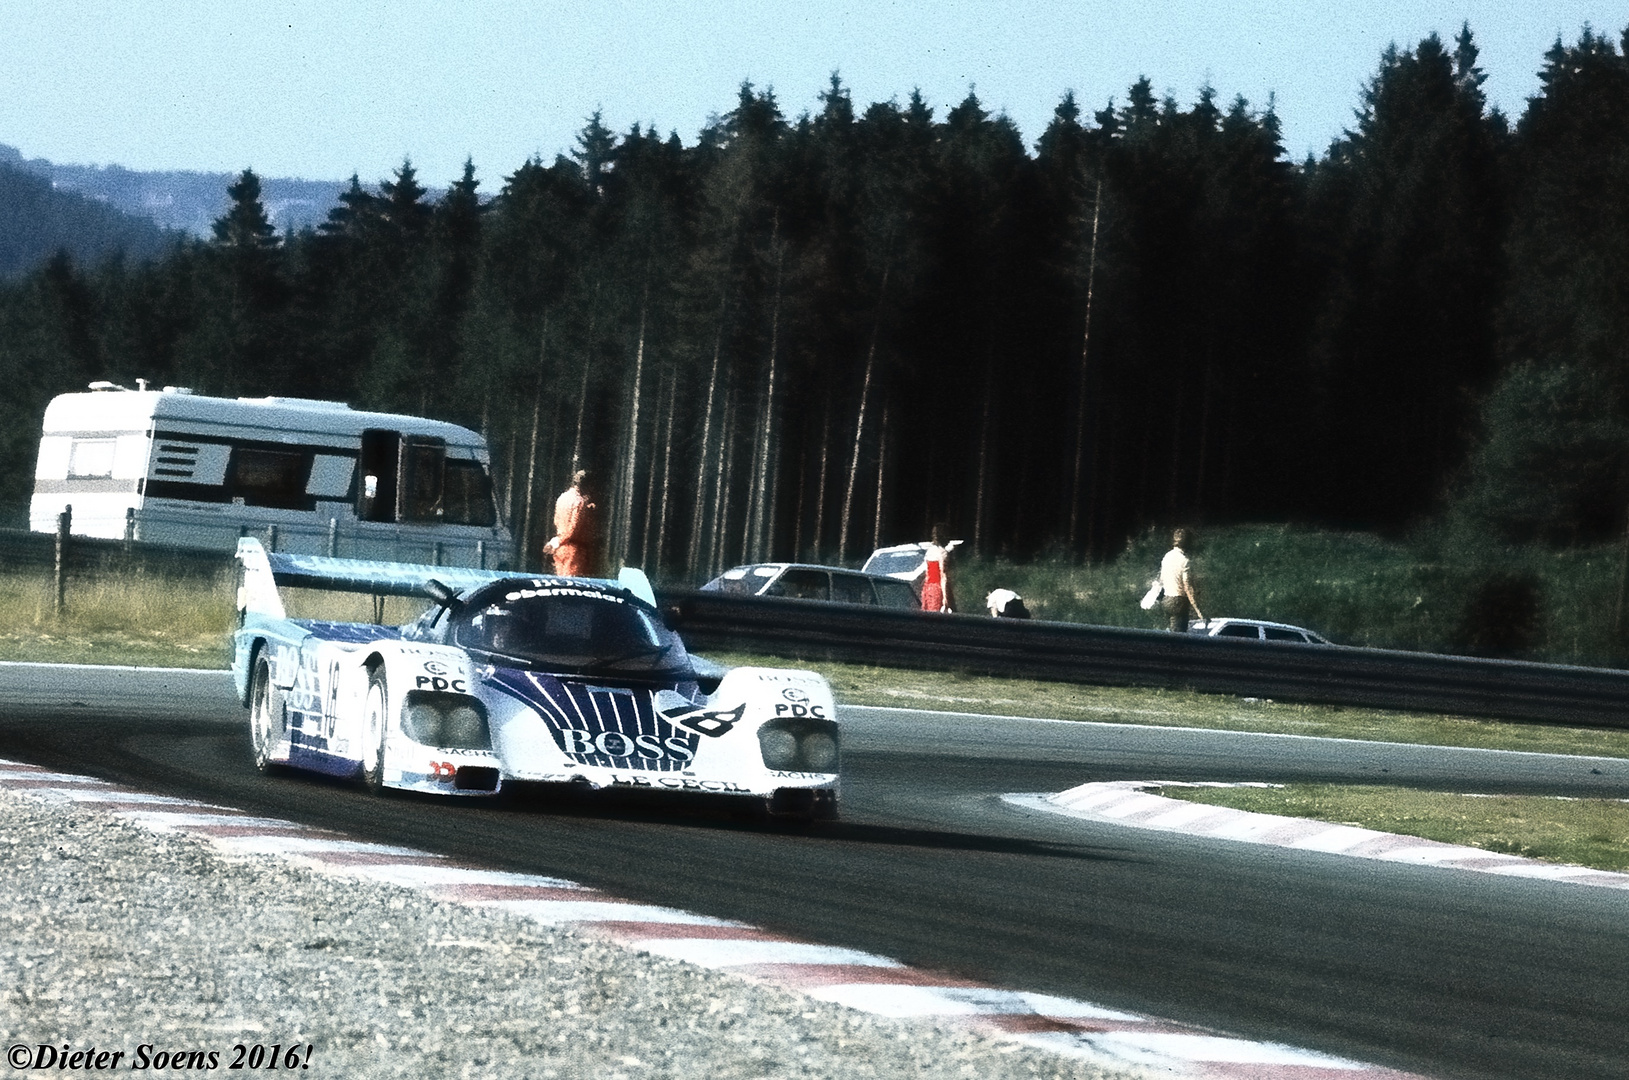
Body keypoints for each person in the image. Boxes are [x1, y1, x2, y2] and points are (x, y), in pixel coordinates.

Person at [542, 470, 602, 577]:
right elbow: (573, 529)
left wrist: (556, 542)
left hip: (560, 547)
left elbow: (557, 519)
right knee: (571, 584)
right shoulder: (579, 502)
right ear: (586, 486)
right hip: (573, 550)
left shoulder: (562, 497)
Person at [1158, 527, 1203, 632]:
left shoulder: (1166, 557)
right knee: (1179, 635)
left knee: (1170, 631)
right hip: (1178, 601)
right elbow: (1187, 587)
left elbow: (1161, 579)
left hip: (1166, 600)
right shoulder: (1184, 561)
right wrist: (1197, 610)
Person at [920, 524, 955, 613]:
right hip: (937, 589)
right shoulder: (942, 553)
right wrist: (945, 597)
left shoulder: (929, 551)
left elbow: (927, 573)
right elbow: (943, 576)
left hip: (927, 588)